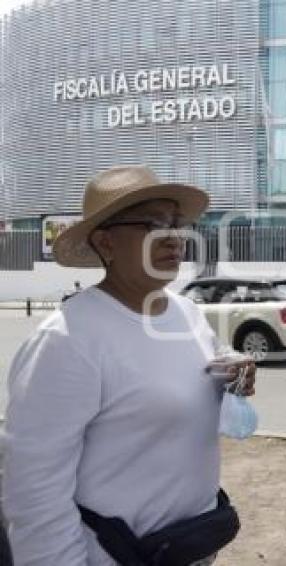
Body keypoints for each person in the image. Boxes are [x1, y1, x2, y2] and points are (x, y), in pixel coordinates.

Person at [2, 165, 255, 565]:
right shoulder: (67, 340)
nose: (173, 236)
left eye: (176, 223)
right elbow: (34, 490)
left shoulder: (187, 314)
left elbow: (186, 392)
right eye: (153, 223)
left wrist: (233, 376)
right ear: (105, 242)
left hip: (192, 545)